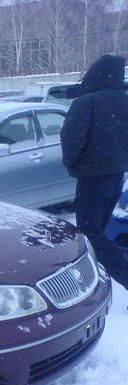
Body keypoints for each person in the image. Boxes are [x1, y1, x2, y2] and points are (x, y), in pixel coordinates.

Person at [61, 54, 128, 289]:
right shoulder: (124, 100)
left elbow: (72, 139)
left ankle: (119, 276)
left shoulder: (87, 103)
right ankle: (99, 276)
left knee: (89, 233)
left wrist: (72, 163)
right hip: (116, 176)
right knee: (98, 231)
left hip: (92, 179)